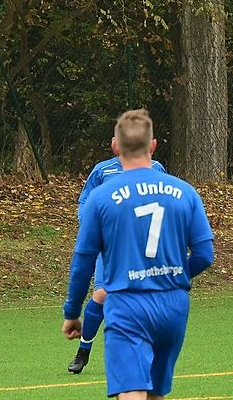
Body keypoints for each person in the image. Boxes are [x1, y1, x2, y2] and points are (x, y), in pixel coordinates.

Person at [61, 109, 214, 399]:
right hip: (173, 305)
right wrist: (172, 274)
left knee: (132, 391)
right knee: (156, 393)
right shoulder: (185, 192)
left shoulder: (102, 197)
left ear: (115, 146)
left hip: (128, 303)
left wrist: (71, 312)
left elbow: (83, 262)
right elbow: (205, 254)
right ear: (153, 145)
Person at [68, 142, 168, 374]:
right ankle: (83, 350)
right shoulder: (103, 170)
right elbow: (85, 201)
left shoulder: (155, 168)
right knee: (102, 295)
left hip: (142, 248)